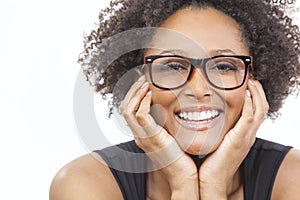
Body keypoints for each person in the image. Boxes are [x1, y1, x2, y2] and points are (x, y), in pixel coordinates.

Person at [50, 0, 300, 199]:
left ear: (253, 79)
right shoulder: (84, 184)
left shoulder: (293, 180)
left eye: (223, 66)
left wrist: (214, 185)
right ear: (139, 82)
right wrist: (183, 185)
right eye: (173, 66)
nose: (199, 89)